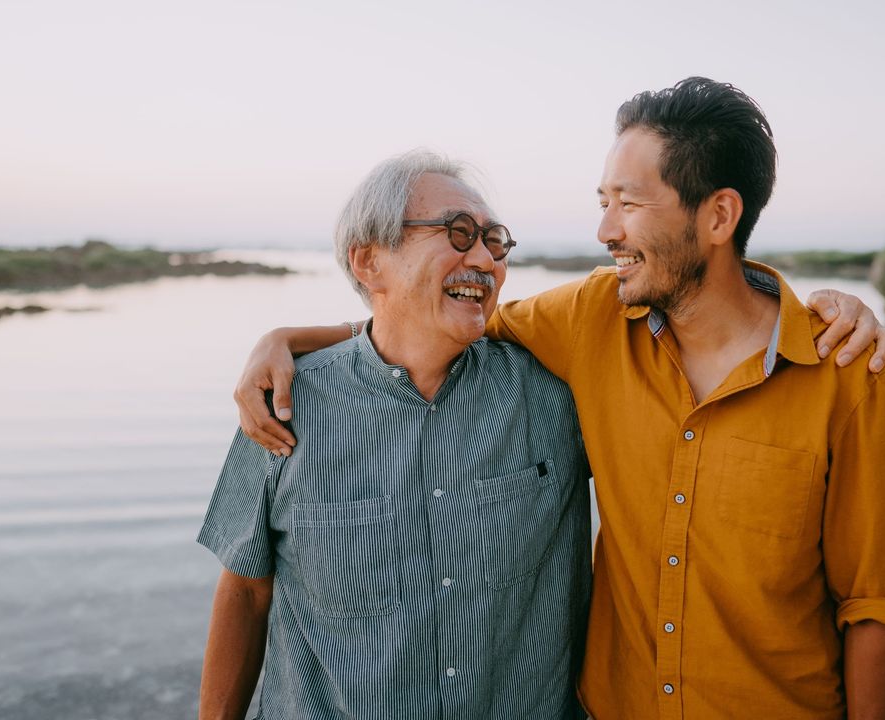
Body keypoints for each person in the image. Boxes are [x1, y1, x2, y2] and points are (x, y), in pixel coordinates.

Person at [237, 78, 885, 719]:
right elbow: (436, 321)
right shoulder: (591, 318)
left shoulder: (849, 374)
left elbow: (876, 607)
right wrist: (295, 337)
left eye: (628, 203)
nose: (606, 232)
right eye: (604, 203)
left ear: (718, 215)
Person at [197, 153, 592, 719]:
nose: (485, 259)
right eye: (458, 234)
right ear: (369, 262)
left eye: (494, 240)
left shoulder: (557, 398)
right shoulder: (283, 404)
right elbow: (244, 590)